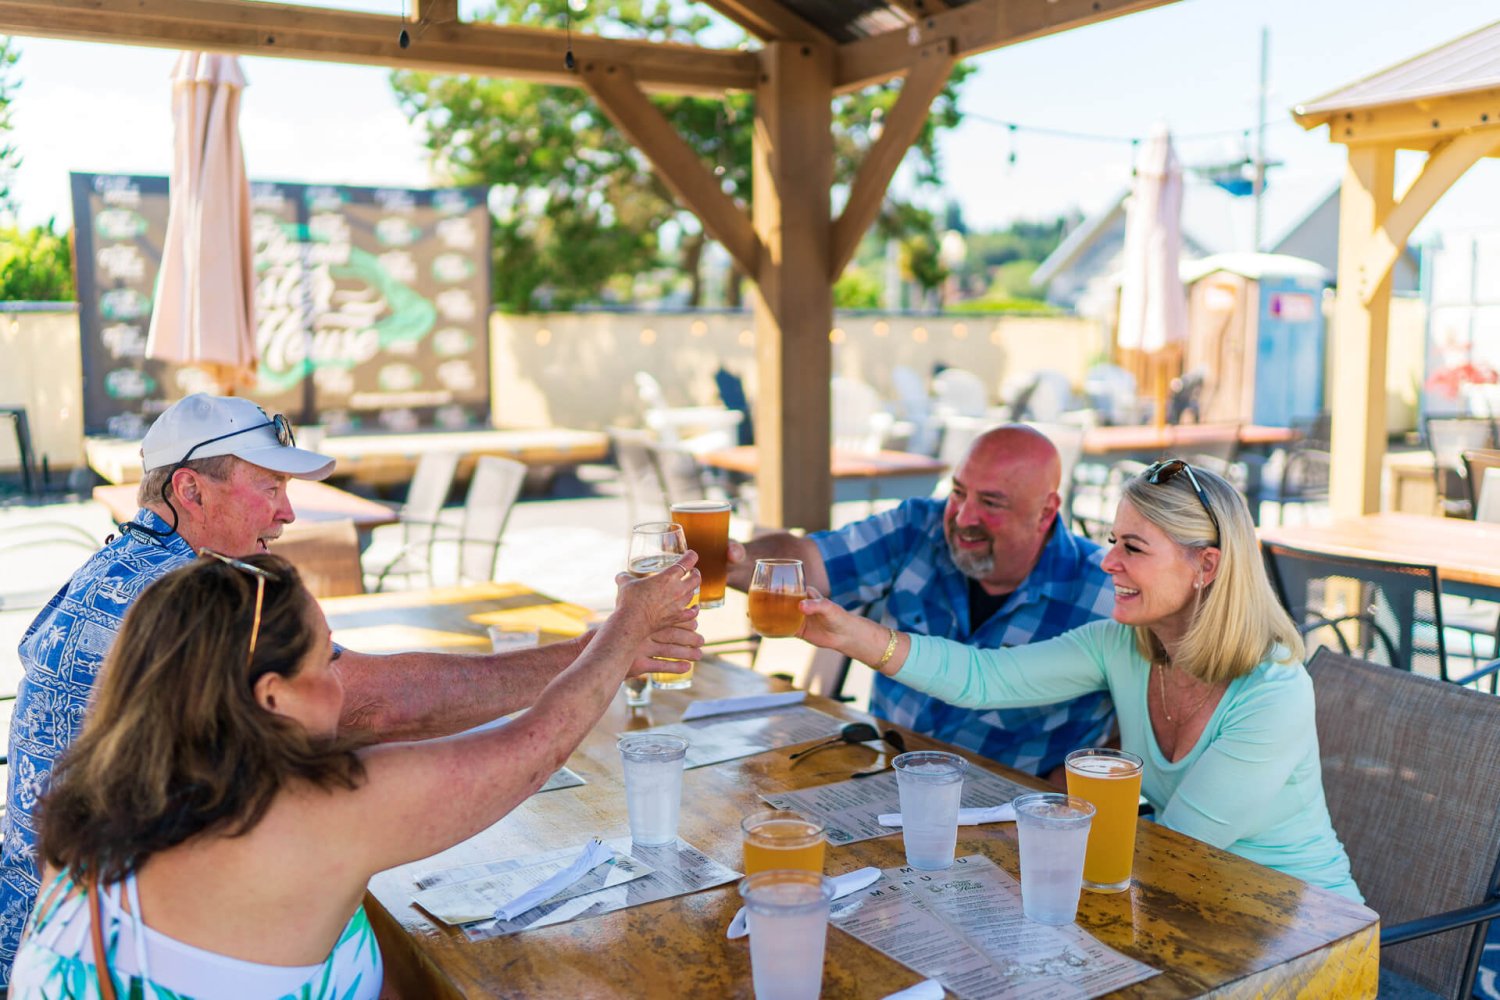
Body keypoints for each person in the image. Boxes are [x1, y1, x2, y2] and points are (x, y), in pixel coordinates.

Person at [0, 393, 701, 984]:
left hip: (65, 929)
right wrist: (612, 644)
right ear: (190, 489)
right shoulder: (189, 597)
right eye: (269, 487)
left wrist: (603, 650)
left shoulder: (140, 568)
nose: (288, 514)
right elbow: (381, 705)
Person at [793, 459, 1361, 901]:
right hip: (1189, 903)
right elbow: (983, 677)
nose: (1106, 562)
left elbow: (1179, 849)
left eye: (1132, 548)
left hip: (1301, 927)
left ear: (1206, 566)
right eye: (1112, 541)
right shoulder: (1121, 646)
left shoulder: (1272, 692)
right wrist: (849, 633)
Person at [725, 425, 1114, 779]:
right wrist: (730, 560)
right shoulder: (918, 528)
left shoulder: (1105, 589)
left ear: (1046, 511)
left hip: (1008, 811)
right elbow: (807, 562)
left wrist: (1060, 803)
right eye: (958, 492)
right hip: (882, 775)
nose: (963, 517)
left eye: (991, 503)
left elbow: (1136, 732)